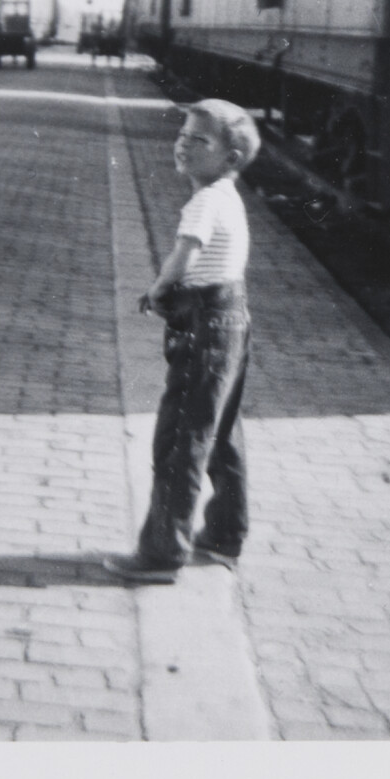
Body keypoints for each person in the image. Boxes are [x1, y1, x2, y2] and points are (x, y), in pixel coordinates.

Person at [105, 99, 261, 584]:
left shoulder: (205, 200)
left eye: (199, 140)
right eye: (183, 135)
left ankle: (161, 553)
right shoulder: (228, 197)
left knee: (180, 440)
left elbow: (185, 255)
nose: (183, 144)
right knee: (221, 436)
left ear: (230, 159)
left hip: (205, 325)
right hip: (232, 320)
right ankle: (223, 536)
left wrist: (157, 289)